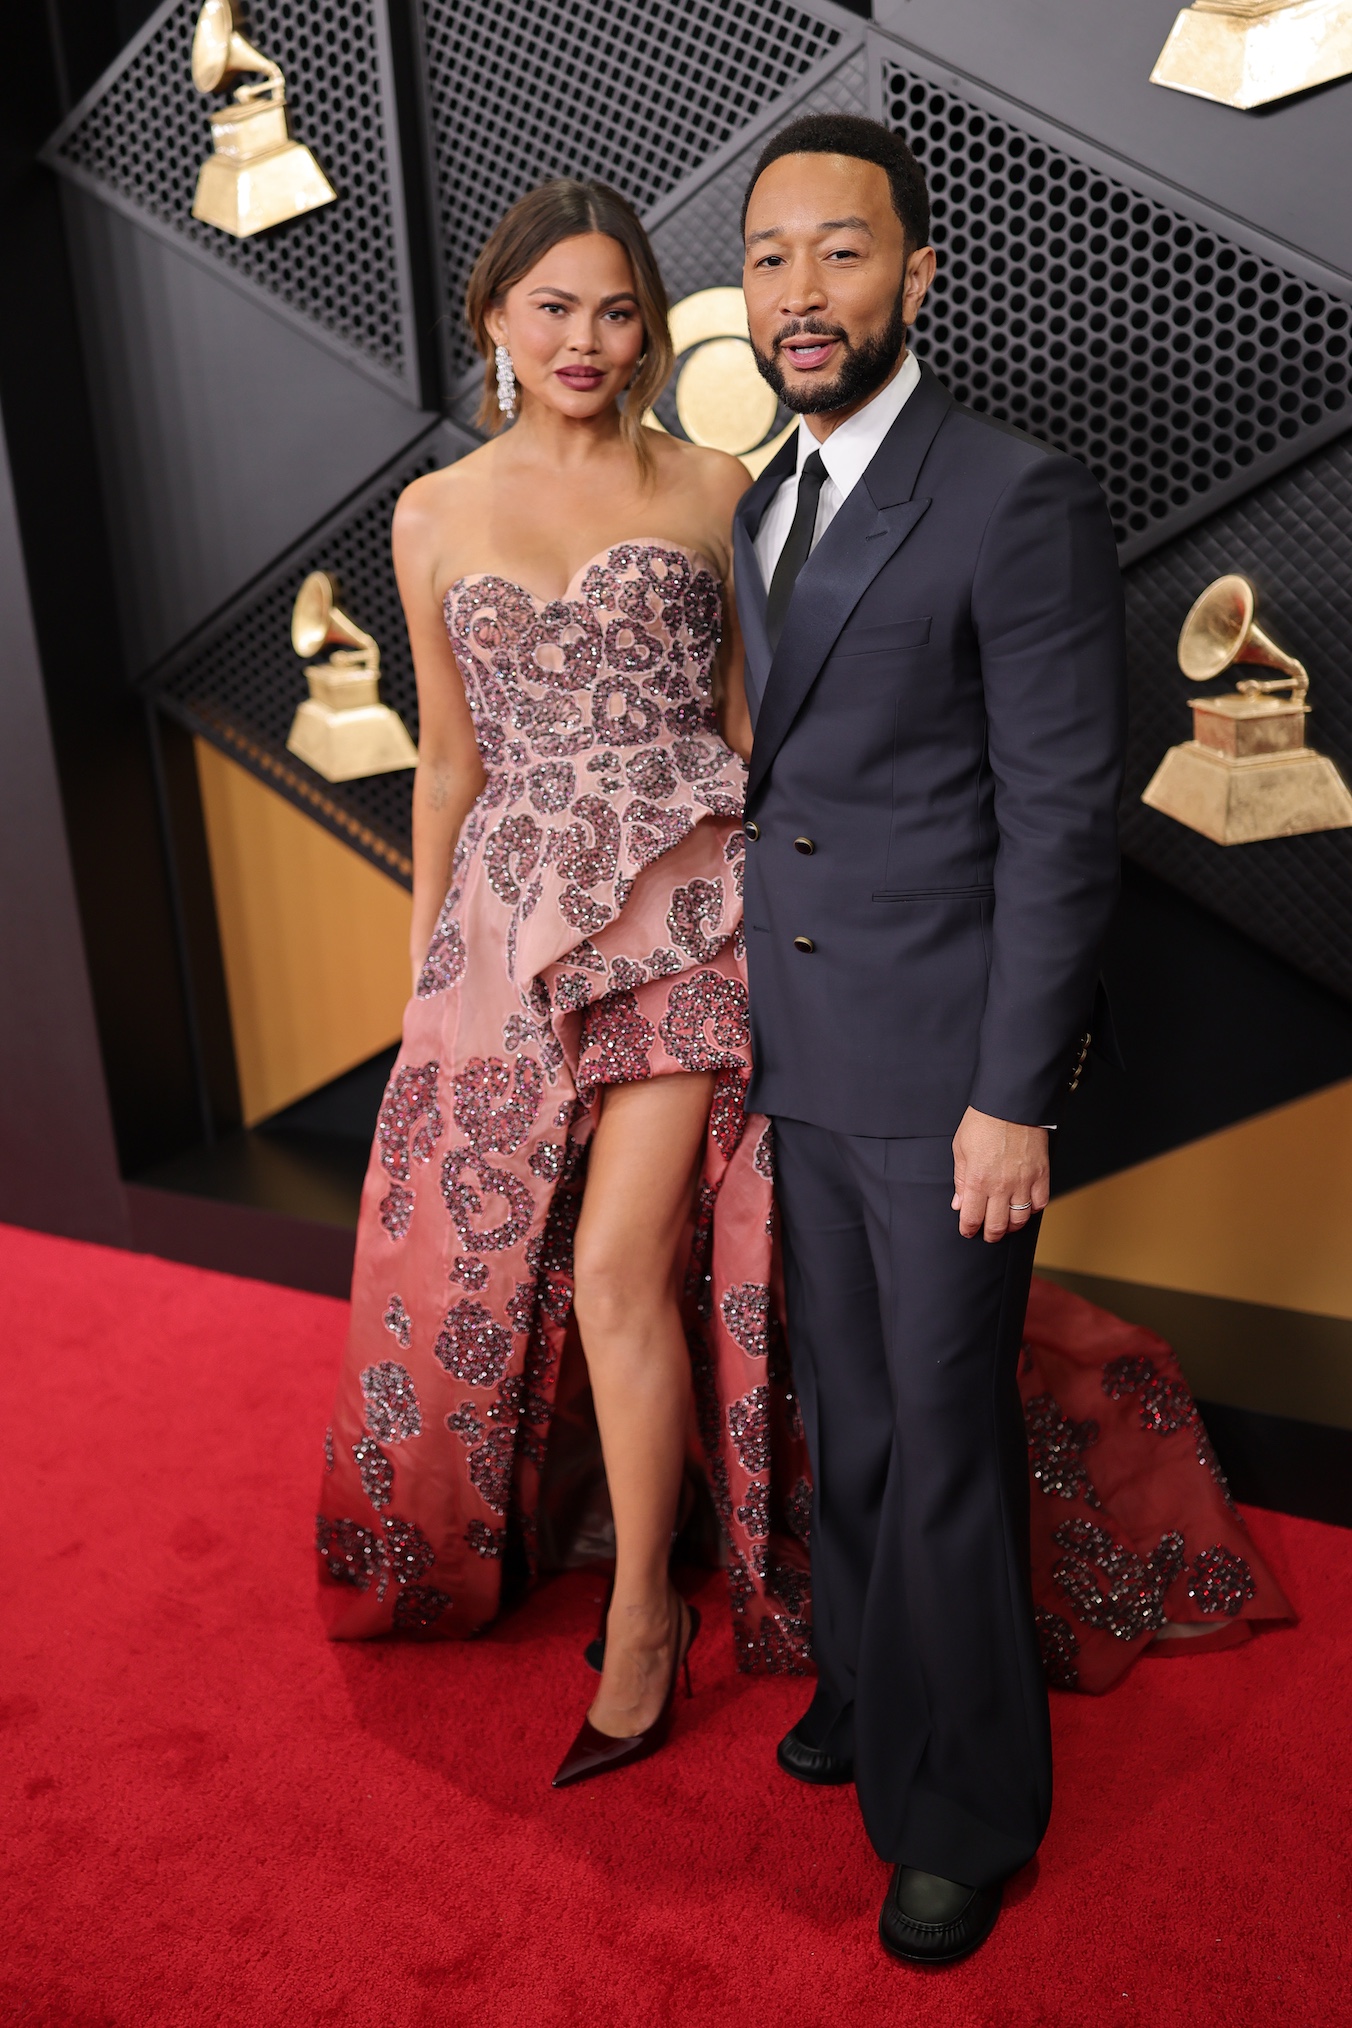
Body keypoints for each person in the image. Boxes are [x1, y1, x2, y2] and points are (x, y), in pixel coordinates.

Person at [314, 178, 814, 1787]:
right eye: (554, 309)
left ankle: (655, 1621)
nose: (586, 340)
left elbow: (758, 728)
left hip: (687, 905)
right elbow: (449, 761)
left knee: (615, 1260)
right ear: (494, 324)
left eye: (615, 311)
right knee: (517, 1263)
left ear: (651, 329)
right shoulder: (433, 513)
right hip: (514, 926)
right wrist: (429, 972)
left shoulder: (720, 484)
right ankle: (620, 1530)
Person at [732, 112, 1128, 1965]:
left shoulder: (1010, 492)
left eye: (838, 253)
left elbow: (1063, 818)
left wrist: (1007, 1098)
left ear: (917, 278)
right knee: (858, 1421)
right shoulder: (762, 494)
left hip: (943, 1073)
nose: (798, 294)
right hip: (807, 1054)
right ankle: (881, 1691)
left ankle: (968, 1801)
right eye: (766, 259)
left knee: (944, 1436)